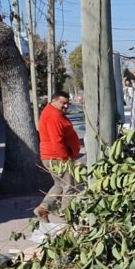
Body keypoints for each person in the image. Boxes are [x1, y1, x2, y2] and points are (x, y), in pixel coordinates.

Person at [34, 91, 81, 221]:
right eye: (63, 103)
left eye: (67, 103)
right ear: (54, 101)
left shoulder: (55, 113)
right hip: (57, 158)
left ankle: (43, 209)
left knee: (59, 185)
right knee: (69, 187)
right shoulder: (53, 117)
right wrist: (65, 159)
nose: (66, 106)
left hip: (52, 157)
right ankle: (68, 217)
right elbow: (57, 141)